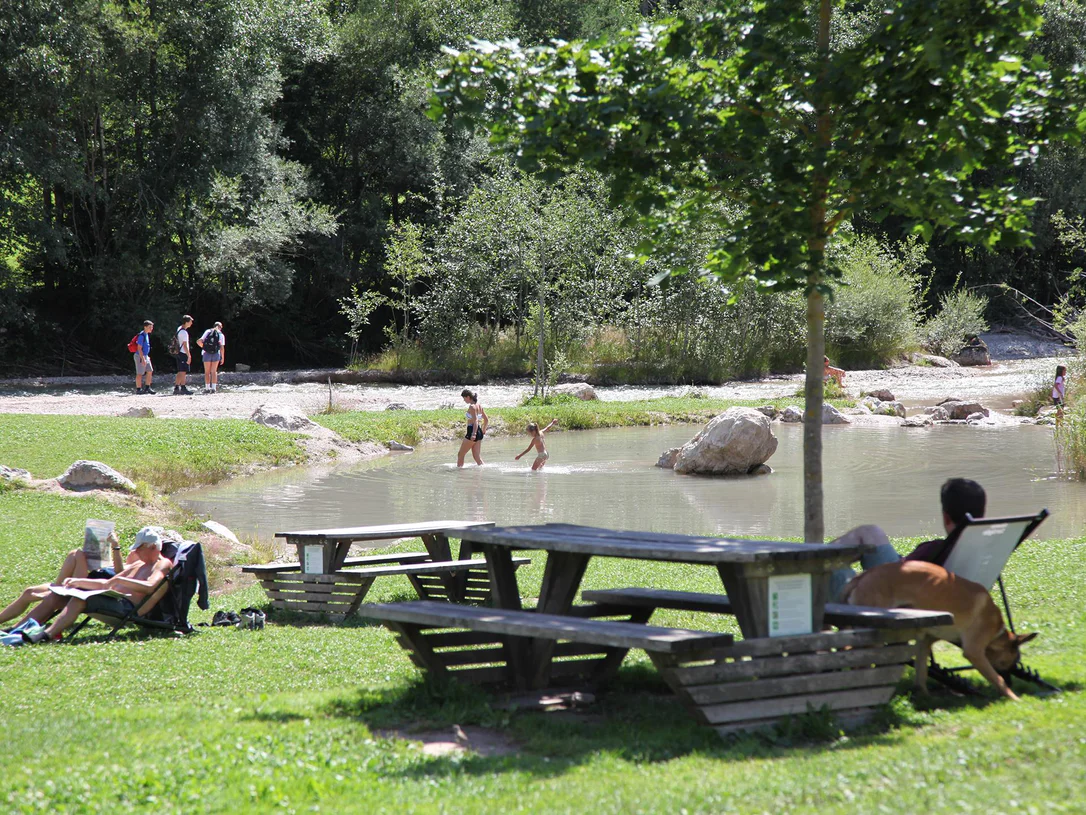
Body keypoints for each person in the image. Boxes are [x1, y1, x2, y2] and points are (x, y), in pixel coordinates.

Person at [828, 478, 986, 600]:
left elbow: (900, 572)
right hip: (914, 592)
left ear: (946, 517)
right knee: (871, 533)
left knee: (829, 565)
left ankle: (811, 563)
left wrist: (860, 580)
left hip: (890, 595)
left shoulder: (936, 549)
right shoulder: (986, 549)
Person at [12, 527, 173, 644]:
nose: (136, 553)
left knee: (79, 600)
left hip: (128, 609)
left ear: (153, 547)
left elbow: (150, 586)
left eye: (139, 549)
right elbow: (108, 583)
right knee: (56, 597)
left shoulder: (162, 564)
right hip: (114, 600)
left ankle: (46, 635)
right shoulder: (138, 564)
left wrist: (119, 581)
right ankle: (17, 630)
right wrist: (78, 582)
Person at [456, 389, 488, 467]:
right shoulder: (479, 405)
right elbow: (486, 419)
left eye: (464, 398)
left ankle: (459, 474)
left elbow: (475, 421)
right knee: (477, 457)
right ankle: (483, 470)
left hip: (472, 431)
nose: (464, 400)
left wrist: (473, 434)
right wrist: (483, 429)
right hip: (479, 431)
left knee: (460, 454)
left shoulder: (472, 407)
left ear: (468, 397)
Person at [197, 321, 225, 393]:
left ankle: (207, 388)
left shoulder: (208, 331)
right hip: (216, 354)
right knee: (214, 371)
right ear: (220, 327)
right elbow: (222, 347)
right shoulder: (221, 335)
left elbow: (199, 341)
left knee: (207, 372)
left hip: (206, 353)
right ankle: (213, 388)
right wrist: (222, 357)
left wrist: (205, 348)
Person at [173, 315, 195, 396]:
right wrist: (189, 355)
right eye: (190, 321)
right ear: (186, 322)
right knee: (183, 371)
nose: (191, 323)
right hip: (183, 353)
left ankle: (176, 387)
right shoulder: (184, 332)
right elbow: (185, 345)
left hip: (179, 352)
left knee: (180, 370)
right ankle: (183, 387)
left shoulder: (179, 329)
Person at [134, 320, 155, 394]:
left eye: (152, 327)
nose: (151, 328)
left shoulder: (146, 335)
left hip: (146, 356)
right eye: (149, 327)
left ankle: (147, 388)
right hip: (140, 356)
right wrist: (142, 359)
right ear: (145, 327)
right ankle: (138, 389)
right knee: (140, 373)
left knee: (150, 371)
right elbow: (139, 349)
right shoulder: (141, 336)